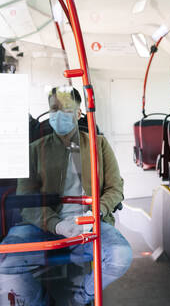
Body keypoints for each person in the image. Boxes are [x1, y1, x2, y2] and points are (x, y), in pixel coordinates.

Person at [0, 87, 132, 305]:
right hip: (42, 226)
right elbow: (26, 199)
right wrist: (57, 225)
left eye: (66, 109)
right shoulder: (34, 150)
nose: (59, 114)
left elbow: (115, 188)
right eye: (54, 108)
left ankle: (81, 297)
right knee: (5, 263)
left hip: (89, 224)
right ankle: (40, 301)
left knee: (120, 256)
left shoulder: (98, 145)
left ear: (79, 113)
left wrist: (95, 212)